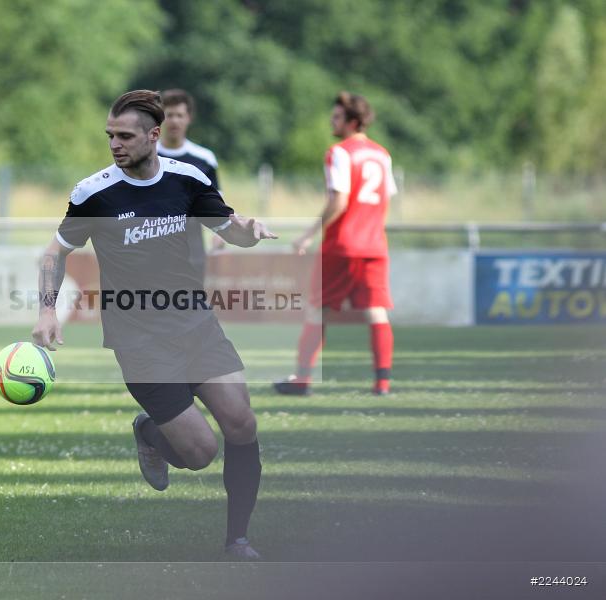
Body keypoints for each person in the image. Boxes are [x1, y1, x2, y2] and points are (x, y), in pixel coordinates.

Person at [32, 90, 276, 559]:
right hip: (139, 340)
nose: (115, 144)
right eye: (110, 136)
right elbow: (55, 252)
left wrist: (248, 230)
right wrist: (46, 309)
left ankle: (237, 541)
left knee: (242, 424)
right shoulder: (93, 193)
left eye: (125, 136)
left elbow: (230, 230)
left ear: (154, 136)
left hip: (196, 325)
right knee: (201, 453)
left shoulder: (188, 178)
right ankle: (149, 431)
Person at [274, 91, 396, 396]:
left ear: (353, 121)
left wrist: (309, 232)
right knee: (377, 312)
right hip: (374, 246)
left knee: (318, 311)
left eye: (337, 116)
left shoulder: (339, 152)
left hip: (342, 246)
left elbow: (339, 200)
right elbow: (385, 199)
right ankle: (382, 382)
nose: (332, 120)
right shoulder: (383, 155)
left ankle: (302, 379)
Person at [157, 88, 223, 277]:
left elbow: (215, 202)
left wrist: (219, 233)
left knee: (190, 304)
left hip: (191, 246)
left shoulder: (204, 158)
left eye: (180, 115)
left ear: (189, 118)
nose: (174, 121)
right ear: (160, 118)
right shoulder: (144, 155)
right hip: (149, 246)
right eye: (169, 115)